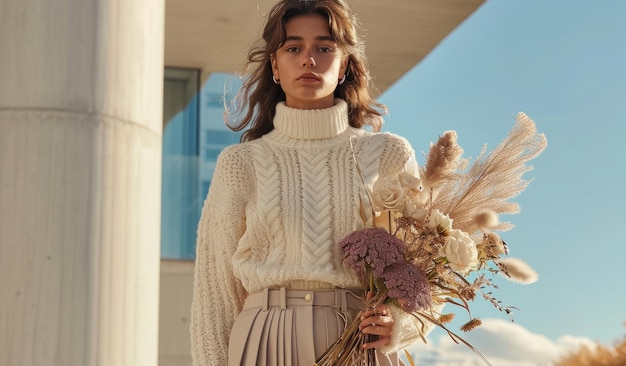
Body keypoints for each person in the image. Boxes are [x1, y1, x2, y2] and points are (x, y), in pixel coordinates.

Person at [190, 0, 429, 365]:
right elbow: (214, 293)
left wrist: (400, 324)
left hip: (358, 337)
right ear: (275, 64)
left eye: (324, 48)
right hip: (264, 338)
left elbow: (427, 266)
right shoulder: (241, 163)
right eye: (293, 48)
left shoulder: (387, 154)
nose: (308, 59)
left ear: (345, 64)